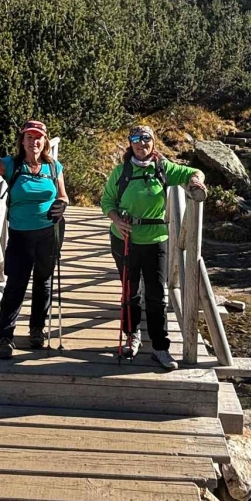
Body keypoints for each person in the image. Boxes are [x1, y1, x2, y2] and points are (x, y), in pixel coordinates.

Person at [99, 124, 205, 370]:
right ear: (130, 143)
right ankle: (131, 335)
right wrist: (116, 218)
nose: (141, 143)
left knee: (157, 295)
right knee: (130, 291)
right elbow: (106, 201)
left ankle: (160, 347)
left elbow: (194, 171)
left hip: (156, 239)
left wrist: (197, 181)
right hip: (124, 237)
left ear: (153, 142)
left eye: (146, 138)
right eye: (136, 139)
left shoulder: (163, 167)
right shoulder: (121, 171)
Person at [0, 120, 69, 359]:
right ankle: (5, 337)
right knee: (16, 284)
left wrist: (61, 205)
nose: (34, 142)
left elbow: (63, 196)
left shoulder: (53, 167)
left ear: (45, 141)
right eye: (29, 137)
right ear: (22, 141)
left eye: (39, 138)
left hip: (50, 231)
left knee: (43, 281)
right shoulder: (11, 164)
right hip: (21, 234)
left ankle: (36, 331)